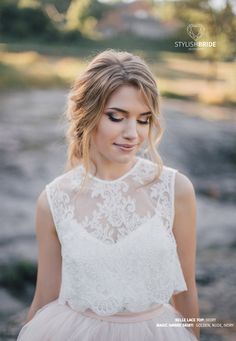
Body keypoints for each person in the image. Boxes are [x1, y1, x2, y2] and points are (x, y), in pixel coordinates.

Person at [17, 49, 200, 341]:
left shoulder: (176, 189)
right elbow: (44, 298)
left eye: (143, 120)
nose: (133, 133)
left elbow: (187, 292)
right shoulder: (53, 200)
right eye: (117, 117)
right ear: (86, 115)